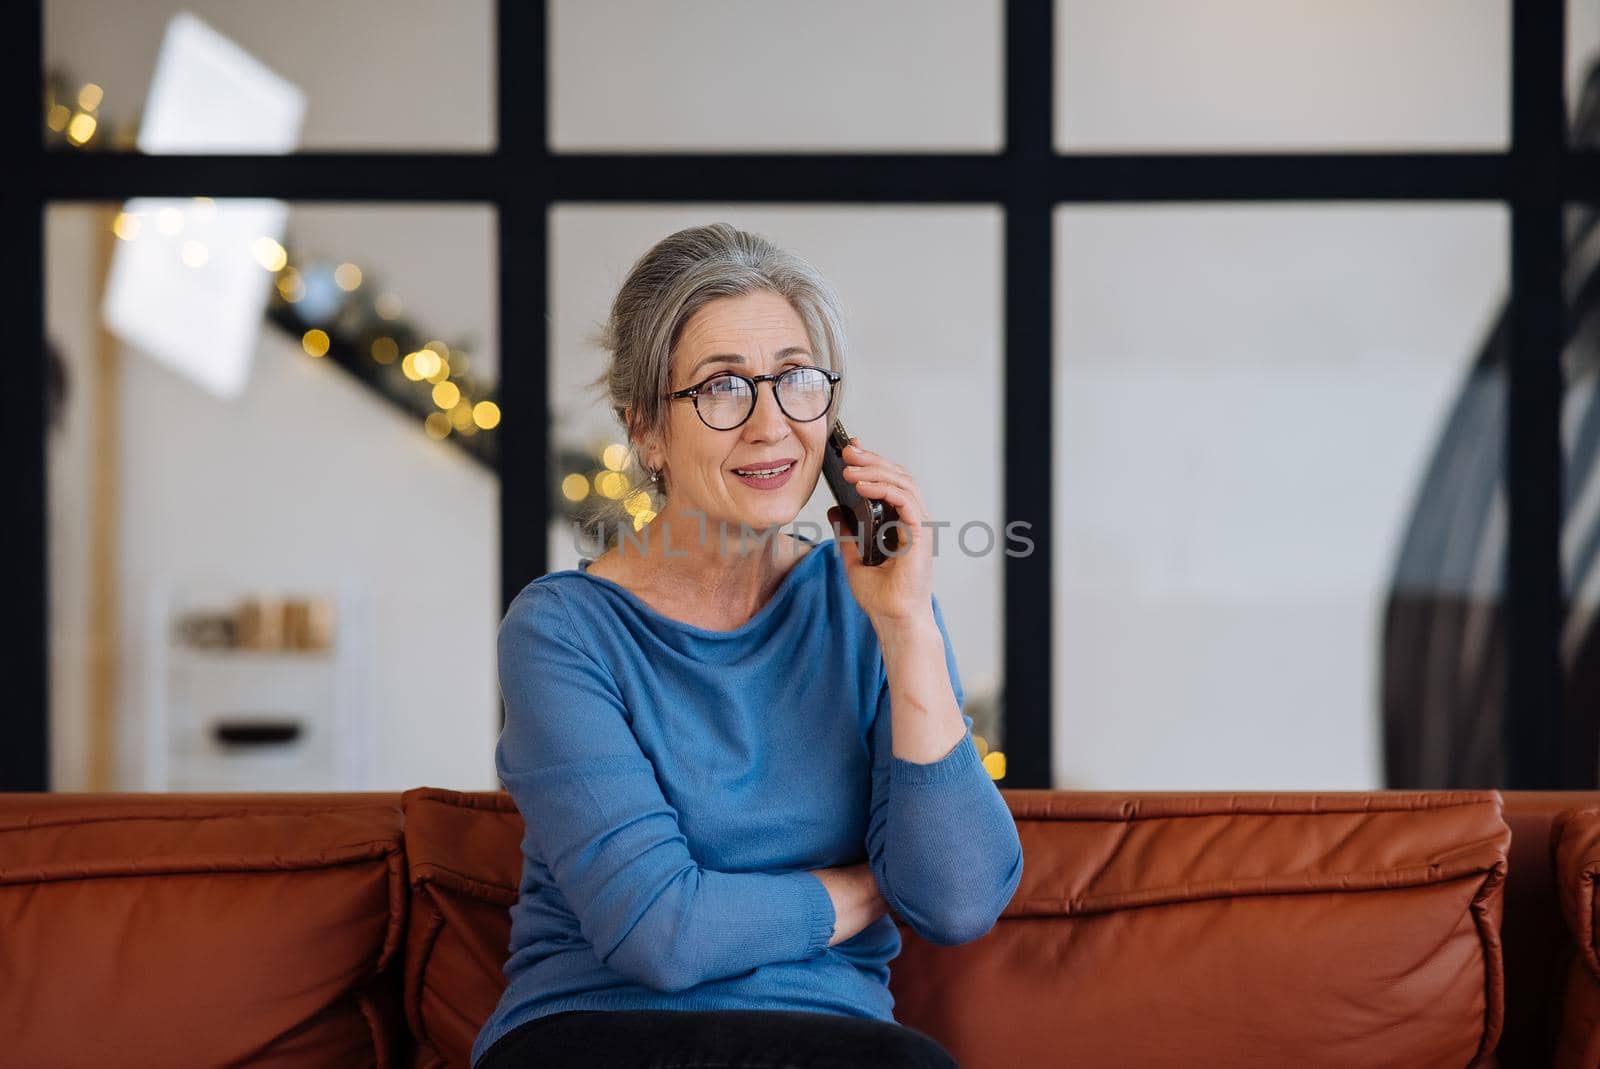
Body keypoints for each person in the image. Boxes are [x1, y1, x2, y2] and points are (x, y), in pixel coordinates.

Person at [472, 223, 1023, 1069]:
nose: (772, 424)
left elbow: (956, 900)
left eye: (797, 380)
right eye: (723, 388)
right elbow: (661, 934)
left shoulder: (874, 604)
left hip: (831, 1039)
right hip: (597, 1033)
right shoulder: (563, 630)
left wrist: (906, 625)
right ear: (647, 430)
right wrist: (864, 888)